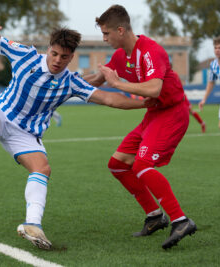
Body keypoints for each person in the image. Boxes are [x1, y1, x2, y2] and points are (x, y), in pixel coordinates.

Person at [0, 19, 154, 250]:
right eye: (55, 53)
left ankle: (33, 225)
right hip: (1, 113)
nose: (58, 60)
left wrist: (146, 103)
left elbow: (108, 98)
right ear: (48, 48)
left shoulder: (71, 82)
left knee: (42, 169)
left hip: (27, 132)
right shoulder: (25, 55)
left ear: (72, 57)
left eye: (64, 57)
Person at [84, 5, 197, 249]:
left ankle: (181, 220)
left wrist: (118, 84)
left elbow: (154, 88)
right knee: (117, 165)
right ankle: (155, 216)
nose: (104, 38)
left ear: (121, 30)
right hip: (154, 114)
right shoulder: (119, 56)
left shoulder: (150, 51)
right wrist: (62, 82)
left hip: (173, 113)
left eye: (106, 33)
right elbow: (96, 79)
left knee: (142, 165)